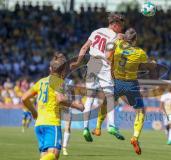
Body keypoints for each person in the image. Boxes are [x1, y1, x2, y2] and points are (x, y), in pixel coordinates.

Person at [93, 28, 154, 155]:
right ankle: (135, 137)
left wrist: (117, 38)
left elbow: (108, 52)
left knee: (106, 102)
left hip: (117, 82)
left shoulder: (118, 46)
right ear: (135, 40)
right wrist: (153, 62)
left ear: (125, 38)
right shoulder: (139, 52)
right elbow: (149, 65)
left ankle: (98, 127)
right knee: (140, 111)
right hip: (131, 84)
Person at [70, 13, 125, 142]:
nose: (121, 29)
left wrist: (78, 62)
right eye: (120, 26)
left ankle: (85, 128)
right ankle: (111, 125)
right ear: (115, 25)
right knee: (110, 95)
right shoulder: (115, 36)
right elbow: (109, 55)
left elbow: (84, 47)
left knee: (89, 97)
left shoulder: (96, 31)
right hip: (104, 64)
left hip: (92, 63)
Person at [22, 53, 84, 160]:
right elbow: (60, 99)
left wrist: (33, 112)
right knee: (54, 155)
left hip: (39, 125)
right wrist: (78, 106)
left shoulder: (41, 82)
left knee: (45, 155)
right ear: (63, 70)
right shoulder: (58, 82)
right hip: (51, 124)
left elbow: (24, 98)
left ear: (50, 69)